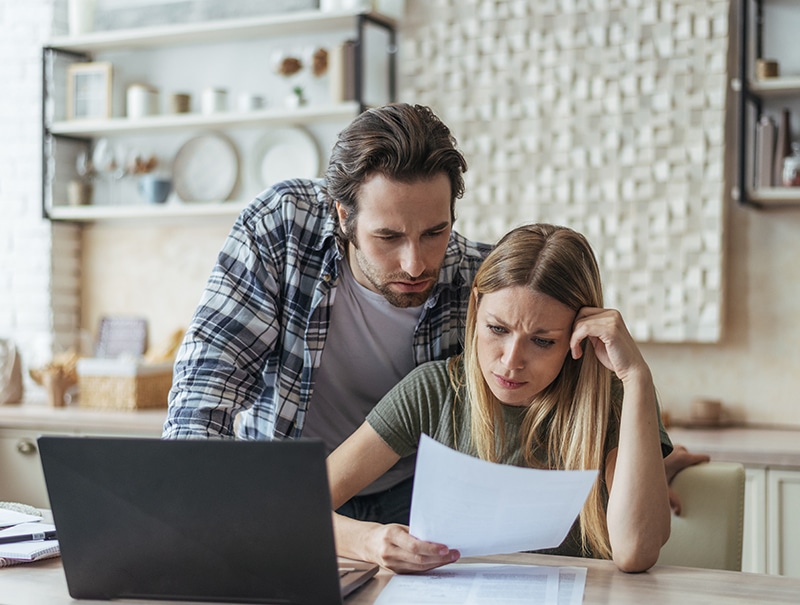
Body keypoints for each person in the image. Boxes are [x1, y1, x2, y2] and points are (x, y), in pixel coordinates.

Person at [162, 102, 702, 524]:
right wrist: (186, 506)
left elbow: (564, 385)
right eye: (388, 236)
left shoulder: (480, 280)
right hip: (292, 488)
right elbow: (209, 379)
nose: (416, 262)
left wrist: (639, 471)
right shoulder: (282, 228)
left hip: (417, 498)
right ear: (343, 214)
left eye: (435, 231)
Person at [327, 223, 672, 574]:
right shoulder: (433, 391)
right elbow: (296, 506)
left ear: (578, 337)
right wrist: (368, 541)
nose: (511, 362)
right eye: (497, 329)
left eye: (542, 341)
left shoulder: (614, 400)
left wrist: (637, 377)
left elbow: (636, 552)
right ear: (476, 305)